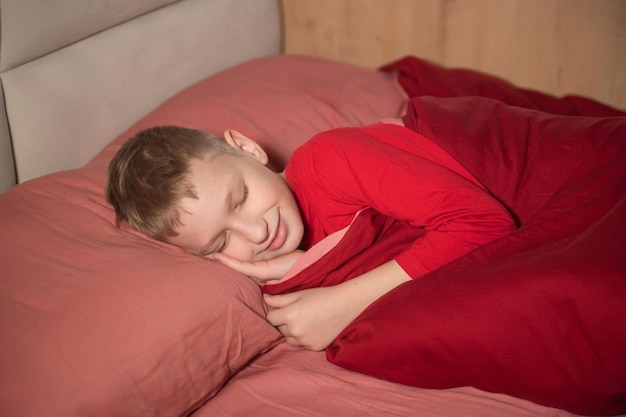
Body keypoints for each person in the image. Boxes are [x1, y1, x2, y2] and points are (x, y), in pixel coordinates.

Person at [106, 122, 516, 351]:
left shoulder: (329, 161)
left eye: (242, 197)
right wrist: (308, 265)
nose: (257, 231)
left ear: (248, 149)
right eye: (220, 243)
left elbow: (483, 222)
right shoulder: (276, 274)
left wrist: (344, 300)